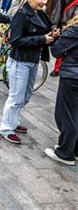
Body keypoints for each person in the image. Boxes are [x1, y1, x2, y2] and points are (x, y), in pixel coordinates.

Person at [0, 0, 55, 144]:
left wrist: (54, 31)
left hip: (33, 60)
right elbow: (15, 40)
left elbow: (50, 26)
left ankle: (14, 122)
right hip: (19, 61)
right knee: (16, 97)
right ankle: (6, 128)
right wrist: (42, 39)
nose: (44, 1)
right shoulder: (21, 14)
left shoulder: (40, 13)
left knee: (26, 96)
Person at [45, 15, 78, 166]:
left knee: (66, 114)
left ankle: (65, 152)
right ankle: (75, 149)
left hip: (73, 76)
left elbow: (57, 51)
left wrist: (57, 38)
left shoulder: (74, 30)